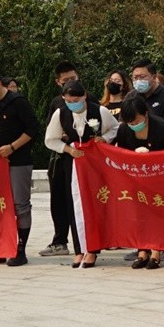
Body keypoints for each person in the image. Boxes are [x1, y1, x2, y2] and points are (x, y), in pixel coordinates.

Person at [45, 80, 118, 268]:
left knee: (94, 204)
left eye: (76, 100)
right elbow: (50, 139)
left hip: (94, 164)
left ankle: (92, 249)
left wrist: (104, 138)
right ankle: (79, 249)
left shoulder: (100, 111)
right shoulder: (61, 113)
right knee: (74, 204)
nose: (72, 104)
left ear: (84, 96)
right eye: (68, 101)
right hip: (73, 163)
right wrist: (68, 149)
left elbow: (115, 128)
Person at [0, 65, 41, 267]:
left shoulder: (17, 102)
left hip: (18, 161)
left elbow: (33, 129)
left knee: (20, 205)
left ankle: (20, 249)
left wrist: (12, 147)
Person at [114, 95, 164, 270]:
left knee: (157, 214)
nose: (133, 124)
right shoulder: (124, 130)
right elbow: (122, 154)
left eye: (136, 121)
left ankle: (157, 251)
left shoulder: (161, 126)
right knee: (139, 215)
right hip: (135, 179)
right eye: (130, 122)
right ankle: (142, 251)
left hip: (160, 178)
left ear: (145, 114)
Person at [39, 60, 82, 257]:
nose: (70, 82)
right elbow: (50, 131)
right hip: (60, 157)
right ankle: (59, 241)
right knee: (58, 201)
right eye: (66, 80)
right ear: (58, 82)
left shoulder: (88, 99)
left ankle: (84, 241)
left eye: (73, 78)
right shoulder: (57, 103)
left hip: (81, 159)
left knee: (79, 201)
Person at [125, 57, 164, 124]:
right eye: (135, 77)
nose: (138, 81)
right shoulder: (130, 96)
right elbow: (123, 121)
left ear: (153, 77)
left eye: (142, 77)